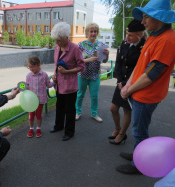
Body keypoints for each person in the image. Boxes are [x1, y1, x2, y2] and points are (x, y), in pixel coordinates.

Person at [116, 0, 175, 174]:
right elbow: (142, 64)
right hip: (139, 92)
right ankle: (138, 154)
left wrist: (129, 89)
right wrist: (128, 84)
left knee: (140, 131)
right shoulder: (155, 35)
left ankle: (140, 165)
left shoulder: (167, 40)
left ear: (159, 18)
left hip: (147, 95)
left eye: (146, 17)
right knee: (138, 128)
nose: (142, 22)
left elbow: (151, 74)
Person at [109, 20, 147, 145]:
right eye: (127, 33)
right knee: (113, 108)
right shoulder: (125, 43)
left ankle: (121, 134)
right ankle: (117, 128)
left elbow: (140, 70)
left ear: (140, 35)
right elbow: (119, 62)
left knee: (127, 111)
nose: (127, 37)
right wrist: (120, 80)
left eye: (130, 35)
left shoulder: (144, 47)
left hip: (132, 84)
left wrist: (126, 83)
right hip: (121, 82)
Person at [49, 22, 85, 141]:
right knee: (59, 106)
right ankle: (58, 126)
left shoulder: (75, 48)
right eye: (56, 40)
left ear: (66, 38)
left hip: (70, 85)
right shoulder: (57, 47)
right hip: (59, 84)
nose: (57, 43)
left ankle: (69, 132)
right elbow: (56, 63)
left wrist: (66, 71)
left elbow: (82, 66)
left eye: (59, 40)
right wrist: (55, 74)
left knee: (69, 109)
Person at [75, 23, 109, 123]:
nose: (93, 33)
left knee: (94, 95)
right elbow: (77, 61)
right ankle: (77, 112)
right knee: (80, 94)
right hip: (83, 74)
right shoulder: (81, 45)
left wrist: (107, 55)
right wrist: (88, 60)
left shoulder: (101, 45)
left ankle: (94, 114)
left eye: (95, 31)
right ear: (87, 32)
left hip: (95, 74)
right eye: (91, 31)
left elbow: (104, 61)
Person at [26, 55, 55, 138]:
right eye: (29, 67)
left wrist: (55, 82)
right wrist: (22, 87)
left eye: (32, 67)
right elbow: (27, 87)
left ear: (38, 65)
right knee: (31, 115)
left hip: (40, 99)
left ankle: (38, 128)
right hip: (31, 100)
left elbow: (49, 85)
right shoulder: (28, 76)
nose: (31, 69)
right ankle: (31, 128)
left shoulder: (44, 75)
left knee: (38, 114)